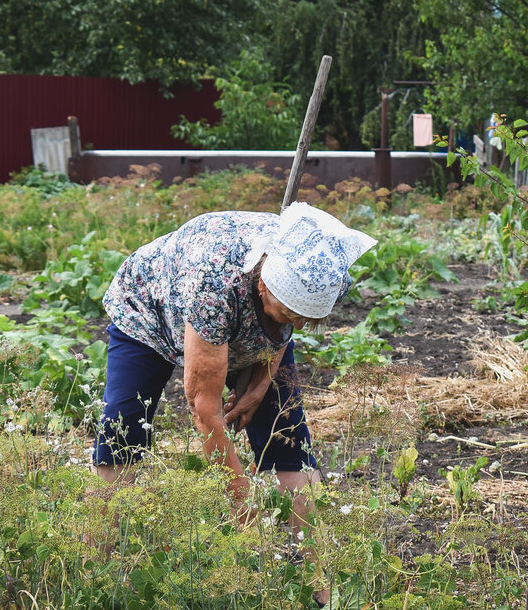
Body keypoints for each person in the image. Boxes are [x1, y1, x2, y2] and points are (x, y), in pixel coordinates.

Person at [92, 202, 376, 517]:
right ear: (264, 285)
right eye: (289, 314)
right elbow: (204, 409)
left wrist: (260, 385)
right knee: (123, 423)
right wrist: (243, 509)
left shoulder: (323, 271)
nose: (295, 326)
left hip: (240, 310)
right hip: (150, 305)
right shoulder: (214, 288)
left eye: (306, 319)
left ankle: (312, 556)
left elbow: (283, 329)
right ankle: (101, 544)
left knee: (286, 429)